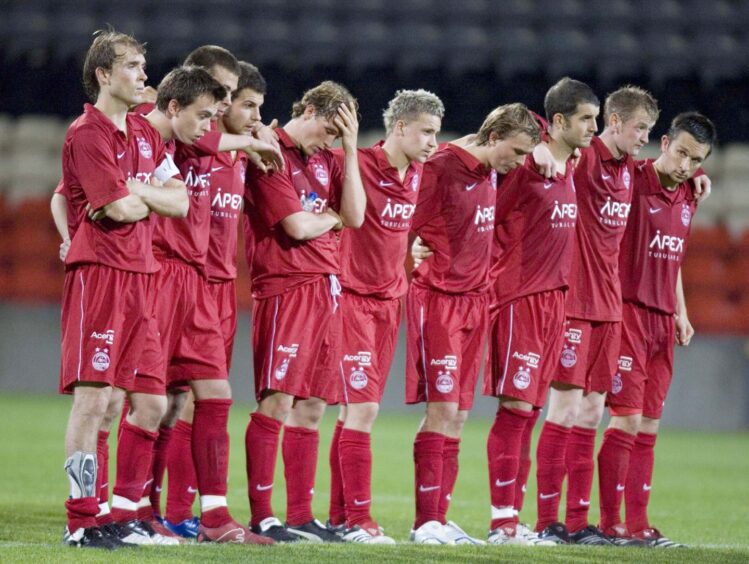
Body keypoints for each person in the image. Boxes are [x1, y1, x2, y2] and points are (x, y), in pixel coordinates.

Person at [59, 29, 188, 549]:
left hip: (140, 276)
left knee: (121, 403)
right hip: (101, 275)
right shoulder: (86, 135)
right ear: (103, 75)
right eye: (132, 66)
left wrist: (134, 187)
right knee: (93, 401)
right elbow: (119, 209)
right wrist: (138, 193)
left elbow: (179, 202)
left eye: (143, 65)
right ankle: (79, 519)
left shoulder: (144, 134)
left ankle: (109, 513)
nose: (143, 76)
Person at [406, 103, 540, 545]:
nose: (519, 162)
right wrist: (410, 254)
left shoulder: (491, 172)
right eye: (516, 151)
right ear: (494, 136)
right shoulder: (443, 167)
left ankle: (440, 519)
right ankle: (424, 522)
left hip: (475, 304)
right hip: (440, 301)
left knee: (461, 415)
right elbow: (406, 221)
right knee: (442, 410)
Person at [531, 85, 659, 546]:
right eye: (640, 127)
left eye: (649, 129)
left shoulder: (630, 169)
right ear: (615, 122)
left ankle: (579, 522)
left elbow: (668, 171)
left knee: (590, 413)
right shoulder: (582, 159)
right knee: (564, 406)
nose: (645, 136)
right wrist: (540, 150)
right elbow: (531, 132)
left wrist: (694, 176)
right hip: (573, 301)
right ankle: (547, 523)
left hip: (610, 305)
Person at [244, 81, 365, 542]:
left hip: (326, 288)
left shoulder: (329, 160)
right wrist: (329, 218)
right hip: (286, 287)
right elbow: (296, 227)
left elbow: (354, 216)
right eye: (331, 130)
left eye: (340, 136)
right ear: (309, 109)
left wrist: (350, 151)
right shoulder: (271, 152)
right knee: (277, 399)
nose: (331, 141)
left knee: (313, 405)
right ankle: (262, 515)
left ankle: (299, 515)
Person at [479, 78, 598, 546]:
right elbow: (487, 210)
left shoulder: (569, 167)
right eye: (587, 119)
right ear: (560, 122)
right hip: (519, 298)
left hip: (555, 303)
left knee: (528, 412)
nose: (596, 127)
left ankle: (512, 520)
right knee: (514, 410)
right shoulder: (527, 165)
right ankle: (501, 523)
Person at [325, 89, 444, 544]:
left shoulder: (418, 172)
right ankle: (359, 521)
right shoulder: (356, 164)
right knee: (364, 408)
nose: (434, 142)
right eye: (427, 132)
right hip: (352, 297)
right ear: (399, 128)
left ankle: (339, 518)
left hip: (390, 300)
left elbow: (478, 142)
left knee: (351, 412)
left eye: (436, 133)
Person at [598, 112, 716, 548]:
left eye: (696, 159)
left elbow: (675, 258)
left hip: (663, 322)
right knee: (625, 420)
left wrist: (681, 313)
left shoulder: (688, 193)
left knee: (649, 427)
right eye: (681, 152)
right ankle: (611, 526)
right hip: (627, 315)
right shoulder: (633, 178)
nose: (686, 164)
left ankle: (639, 526)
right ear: (663, 142)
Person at [162, 61, 269, 538]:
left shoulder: (239, 153)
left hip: (221, 288)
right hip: (175, 279)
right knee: (156, 401)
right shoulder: (174, 134)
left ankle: (193, 513)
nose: (228, 105)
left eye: (238, 98)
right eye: (227, 95)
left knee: (199, 397)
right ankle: (138, 507)